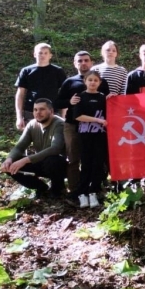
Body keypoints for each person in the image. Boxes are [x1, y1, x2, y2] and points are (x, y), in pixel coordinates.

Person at [56, 51, 110, 198]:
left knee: (98, 158)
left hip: (97, 129)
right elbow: (58, 102)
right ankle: (75, 191)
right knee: (74, 158)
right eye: (80, 61)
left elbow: (108, 102)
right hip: (73, 125)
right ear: (75, 63)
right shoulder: (69, 82)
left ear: (92, 62)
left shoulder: (101, 82)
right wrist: (69, 102)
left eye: (86, 60)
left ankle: (96, 188)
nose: (83, 63)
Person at [0, 98, 66, 200]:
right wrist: (9, 159)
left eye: (42, 109)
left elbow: (56, 148)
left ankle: (57, 189)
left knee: (53, 160)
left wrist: (26, 160)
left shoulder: (59, 124)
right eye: (35, 110)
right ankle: (41, 187)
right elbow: (20, 147)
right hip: (40, 162)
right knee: (9, 164)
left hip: (61, 165)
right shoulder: (32, 124)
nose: (37, 113)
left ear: (51, 111)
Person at [72, 70, 108, 208]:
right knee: (86, 164)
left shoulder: (103, 97)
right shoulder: (80, 97)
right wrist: (98, 120)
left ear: (100, 83)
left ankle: (94, 191)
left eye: (95, 80)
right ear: (85, 81)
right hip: (84, 136)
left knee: (98, 164)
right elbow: (78, 116)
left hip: (100, 136)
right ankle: (82, 193)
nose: (93, 82)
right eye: (90, 80)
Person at [14, 43, 67, 130]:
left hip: (52, 111)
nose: (43, 55)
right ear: (35, 54)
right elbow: (20, 94)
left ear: (50, 55)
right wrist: (19, 117)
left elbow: (65, 94)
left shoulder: (58, 71)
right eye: (40, 53)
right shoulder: (26, 71)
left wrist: (64, 117)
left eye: (46, 53)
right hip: (31, 112)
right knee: (32, 140)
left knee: (53, 141)